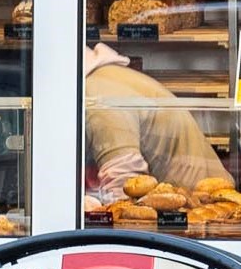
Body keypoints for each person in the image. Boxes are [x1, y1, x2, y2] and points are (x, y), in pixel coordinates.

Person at [83, 38, 228, 197]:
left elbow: (124, 182)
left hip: (202, 206)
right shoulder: (100, 80)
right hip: (181, 204)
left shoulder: (99, 93)